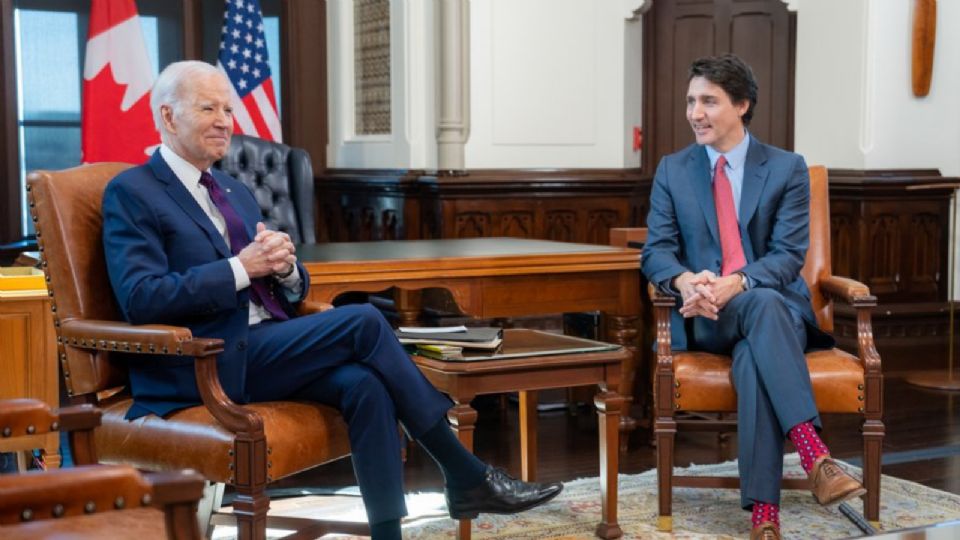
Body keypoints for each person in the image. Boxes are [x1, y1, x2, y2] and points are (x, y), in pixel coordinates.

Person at [101, 60, 561, 540]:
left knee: (364, 383)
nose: (224, 121)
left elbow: (283, 286)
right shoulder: (132, 192)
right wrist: (244, 267)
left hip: (262, 345)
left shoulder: (234, 192)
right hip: (201, 360)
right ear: (168, 116)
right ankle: (462, 470)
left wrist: (285, 269)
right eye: (208, 108)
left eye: (229, 109)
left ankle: (390, 533)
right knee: (362, 320)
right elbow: (141, 298)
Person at [640, 54, 865, 540]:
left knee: (753, 350)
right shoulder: (673, 170)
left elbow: (787, 256)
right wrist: (685, 282)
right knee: (755, 321)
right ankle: (813, 453)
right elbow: (655, 251)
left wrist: (737, 282)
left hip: (771, 311)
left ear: (742, 105)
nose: (695, 113)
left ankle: (766, 516)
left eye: (708, 102)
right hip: (706, 317)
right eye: (691, 101)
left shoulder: (786, 168)